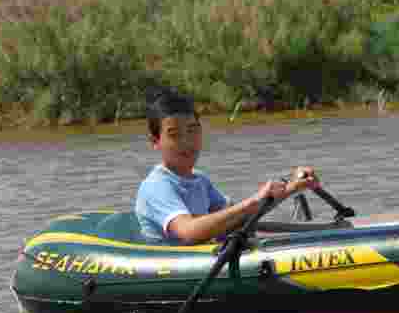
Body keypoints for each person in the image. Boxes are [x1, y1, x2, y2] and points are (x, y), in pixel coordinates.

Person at [135, 87, 320, 244]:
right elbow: (189, 232)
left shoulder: (199, 180)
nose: (187, 142)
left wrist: (293, 186)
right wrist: (254, 201)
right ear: (155, 141)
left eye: (192, 131)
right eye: (174, 134)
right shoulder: (157, 186)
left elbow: (239, 218)